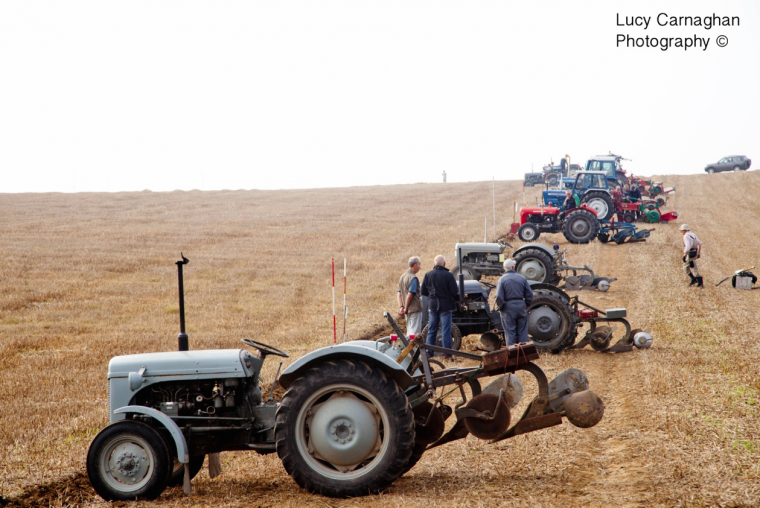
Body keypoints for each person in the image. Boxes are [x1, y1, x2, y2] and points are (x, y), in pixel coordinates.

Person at [420, 255, 460, 355]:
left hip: (433, 306)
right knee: (446, 330)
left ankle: (429, 352)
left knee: (431, 329)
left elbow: (423, 291)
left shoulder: (428, 274)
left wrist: (432, 296)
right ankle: (446, 354)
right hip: (446, 306)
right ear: (444, 264)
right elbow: (455, 291)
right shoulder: (448, 275)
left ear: (434, 264)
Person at [495, 259, 534, 345]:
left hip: (508, 308)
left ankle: (512, 355)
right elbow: (529, 294)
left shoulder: (501, 280)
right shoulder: (522, 278)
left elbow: (498, 296)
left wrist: (501, 307)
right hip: (521, 306)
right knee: (522, 332)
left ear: (504, 268)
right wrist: (526, 304)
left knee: (510, 333)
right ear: (513, 267)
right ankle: (523, 355)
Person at [397, 256, 423, 336]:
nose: (420, 267)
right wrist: (406, 308)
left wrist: (402, 307)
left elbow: (399, 294)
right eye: (419, 264)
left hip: (407, 310)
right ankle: (412, 348)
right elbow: (410, 295)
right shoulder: (413, 278)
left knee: (409, 332)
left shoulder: (402, 276)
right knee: (414, 334)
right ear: (415, 265)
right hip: (414, 309)